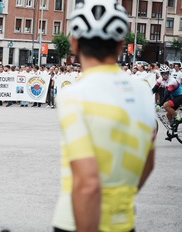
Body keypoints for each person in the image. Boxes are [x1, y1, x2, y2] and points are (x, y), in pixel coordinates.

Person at [52, 1, 156, 232]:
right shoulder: (143, 92)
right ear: (120, 45)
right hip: (124, 222)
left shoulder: (74, 94)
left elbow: (88, 185)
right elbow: (148, 164)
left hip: (76, 222)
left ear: (73, 42)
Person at [152, 65, 182, 129]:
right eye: (164, 73)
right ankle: (173, 131)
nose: (166, 75)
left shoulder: (172, 81)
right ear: (161, 74)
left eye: (167, 73)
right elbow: (154, 90)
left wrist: (159, 105)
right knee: (168, 115)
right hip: (175, 97)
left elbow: (167, 94)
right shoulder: (160, 80)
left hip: (180, 96)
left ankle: (178, 118)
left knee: (166, 105)